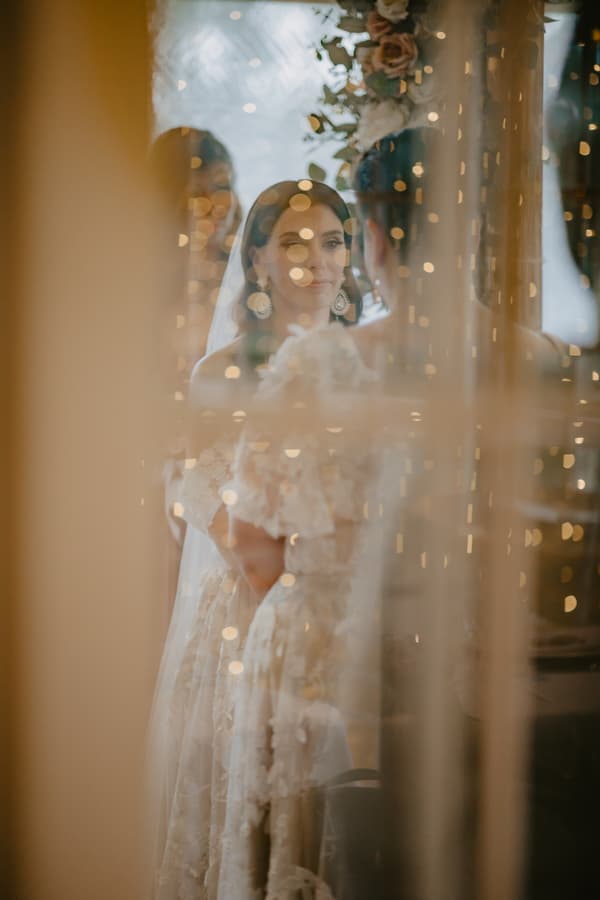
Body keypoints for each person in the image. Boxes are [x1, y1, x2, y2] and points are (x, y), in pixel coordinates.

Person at [219, 127, 566, 899]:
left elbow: (251, 543)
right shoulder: (539, 358)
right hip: (500, 671)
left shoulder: (322, 363)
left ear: (373, 237)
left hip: (344, 672)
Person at [146, 179, 361, 900]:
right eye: (295, 244)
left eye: (333, 242)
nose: (319, 261)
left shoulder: (366, 368)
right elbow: (207, 499)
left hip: (349, 614)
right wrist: (293, 602)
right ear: (259, 263)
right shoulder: (225, 371)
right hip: (247, 621)